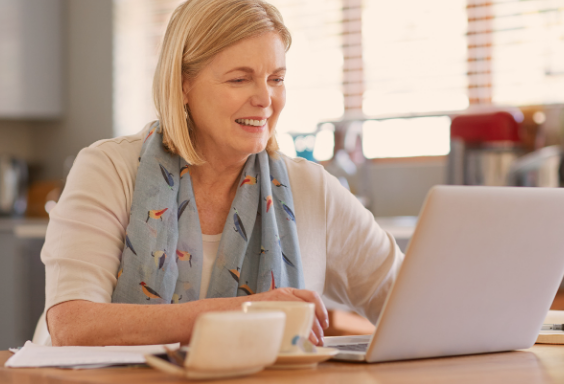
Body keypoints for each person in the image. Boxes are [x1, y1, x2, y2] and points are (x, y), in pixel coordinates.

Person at [39, 0, 404, 347]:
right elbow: (73, 326)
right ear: (184, 84)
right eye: (239, 79)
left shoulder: (312, 190)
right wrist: (245, 312)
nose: (265, 99)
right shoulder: (109, 170)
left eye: (276, 79)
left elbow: (412, 300)